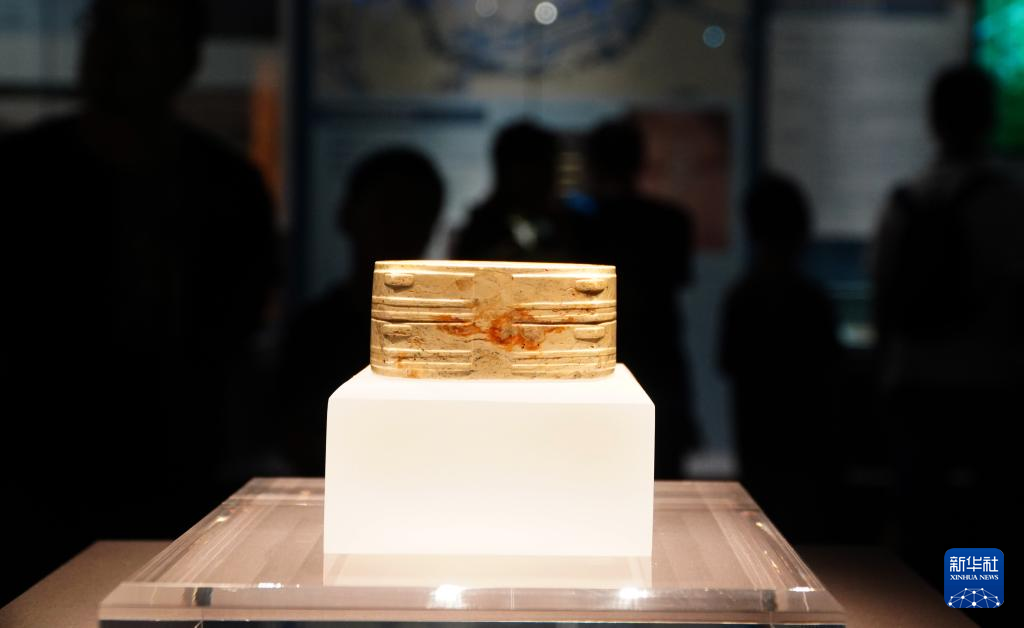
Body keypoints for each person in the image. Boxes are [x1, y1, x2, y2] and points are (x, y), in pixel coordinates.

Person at [0, 0, 277, 600]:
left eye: (141, 34)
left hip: (176, 476)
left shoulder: (226, 188)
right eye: (106, 27)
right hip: (34, 477)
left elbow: (231, 338)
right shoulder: (21, 176)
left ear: (184, 57)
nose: (114, 51)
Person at [872, 65, 1024, 579]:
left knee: (919, 519)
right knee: (982, 522)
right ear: (989, 118)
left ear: (933, 120)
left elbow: (884, 297)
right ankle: (976, 609)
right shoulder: (1007, 202)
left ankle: (920, 609)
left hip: (915, 384)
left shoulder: (906, 200)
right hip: (989, 385)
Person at [278, 148, 444, 475]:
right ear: (350, 216)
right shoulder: (314, 333)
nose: (401, 229)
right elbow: (297, 438)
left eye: (416, 216)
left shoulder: (444, 333)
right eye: (389, 212)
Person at [718, 173, 839, 539]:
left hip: (758, 434)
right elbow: (829, 371)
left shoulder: (742, 296)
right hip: (808, 441)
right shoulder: (813, 300)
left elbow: (728, 363)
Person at [581, 117, 698, 478]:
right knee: (660, 473)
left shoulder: (580, 225)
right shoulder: (670, 221)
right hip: (655, 361)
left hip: (600, 359)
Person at [453, 120, 582, 262]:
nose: (548, 176)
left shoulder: (568, 226)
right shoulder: (482, 229)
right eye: (535, 167)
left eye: (548, 166)